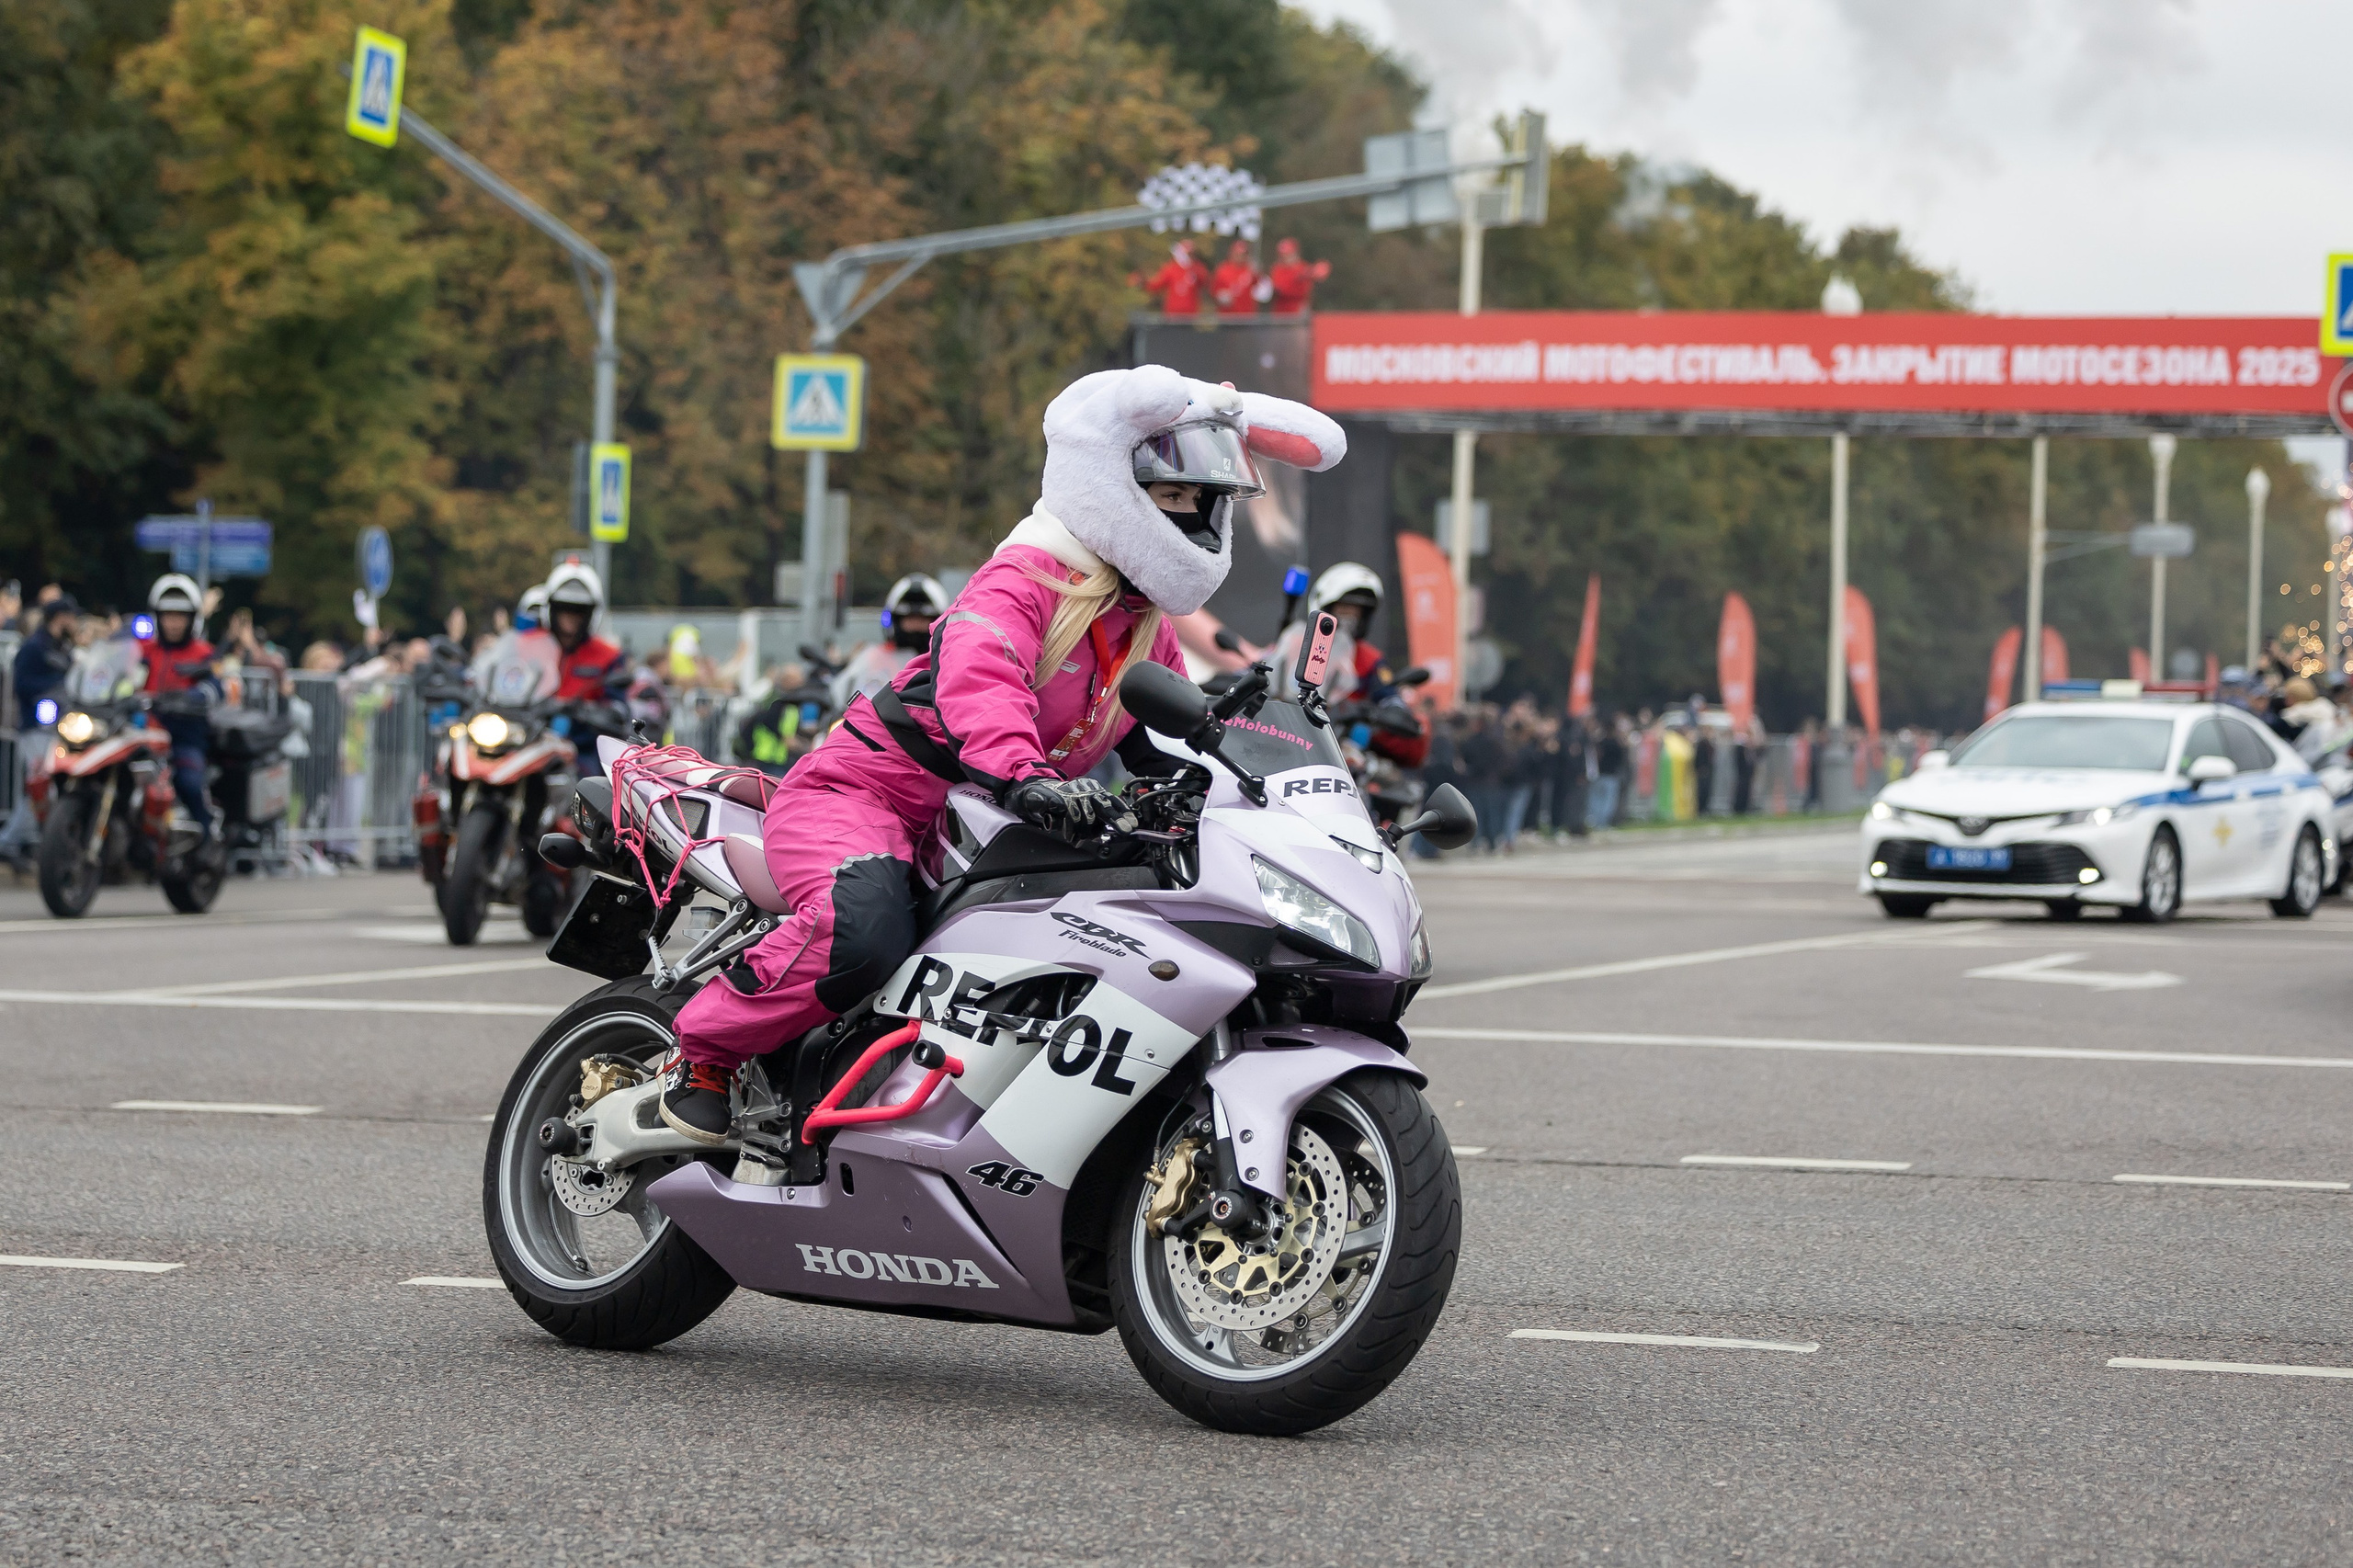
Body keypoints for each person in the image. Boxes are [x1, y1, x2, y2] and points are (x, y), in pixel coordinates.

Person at [658, 365, 1346, 1142]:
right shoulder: (1019, 586)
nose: (1194, 520)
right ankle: (703, 1050)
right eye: (1177, 497)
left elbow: (1169, 733)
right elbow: (985, 687)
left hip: (991, 824)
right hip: (868, 798)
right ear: (1120, 486)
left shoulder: (1141, 625)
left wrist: (1263, 790)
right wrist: (1025, 776)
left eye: (1204, 503)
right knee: (861, 929)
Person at [138, 574, 222, 840]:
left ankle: (207, 837)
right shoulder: (143, 650)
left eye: (180, 617)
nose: (173, 623)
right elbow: (119, 676)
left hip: (182, 737)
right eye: (168, 616)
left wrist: (197, 696)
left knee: (188, 782)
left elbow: (216, 685)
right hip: (142, 737)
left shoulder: (203, 653)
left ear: (191, 619)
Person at [2, 594, 81, 867]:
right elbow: (21, 684)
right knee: (40, 784)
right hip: (36, 727)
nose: (74, 622)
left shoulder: (60, 646)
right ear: (60, 618)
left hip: (58, 727)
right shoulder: (35, 647)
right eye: (70, 616)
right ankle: (12, 841)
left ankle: (26, 842)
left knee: (42, 787)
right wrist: (52, 688)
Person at [830, 574, 951, 710]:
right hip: (876, 728)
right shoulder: (872, 657)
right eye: (910, 620)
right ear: (895, 621)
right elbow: (841, 697)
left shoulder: (949, 662)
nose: (916, 626)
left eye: (923, 620)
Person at [1131, 241, 1211, 317]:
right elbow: (1156, 285)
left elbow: (1206, 283)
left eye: (1191, 254)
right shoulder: (1170, 269)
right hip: (1172, 314)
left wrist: (1193, 268)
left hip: (1191, 315)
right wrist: (1143, 283)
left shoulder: (1197, 268)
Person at [1267, 238, 1331, 314]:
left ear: (1294, 253)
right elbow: (1277, 289)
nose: (1285, 257)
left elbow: (1312, 284)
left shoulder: (1303, 267)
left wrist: (1307, 275)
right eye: (1282, 254)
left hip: (1298, 311)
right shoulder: (1277, 269)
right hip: (1280, 312)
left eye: (1288, 254)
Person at [1211, 239, 1262, 316]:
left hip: (1247, 315)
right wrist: (1221, 296)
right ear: (1231, 253)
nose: (1240, 257)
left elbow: (1262, 288)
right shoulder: (1222, 269)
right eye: (1237, 254)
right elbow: (1214, 290)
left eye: (1243, 254)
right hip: (1227, 315)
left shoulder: (1251, 269)